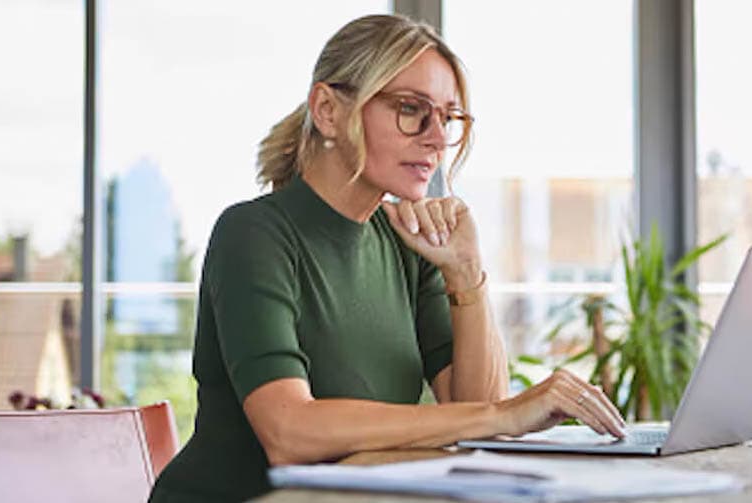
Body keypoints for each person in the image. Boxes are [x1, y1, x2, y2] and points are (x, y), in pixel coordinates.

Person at [148, 14, 626, 502]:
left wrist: (465, 274)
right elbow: (289, 434)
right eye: (410, 108)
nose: (437, 137)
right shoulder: (254, 233)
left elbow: (477, 417)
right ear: (328, 110)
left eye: (448, 117)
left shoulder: (407, 240)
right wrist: (508, 413)